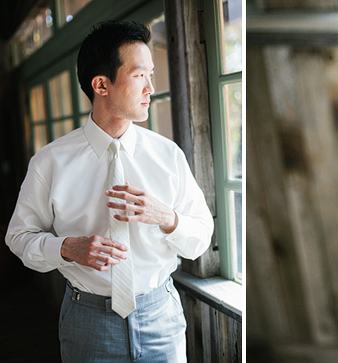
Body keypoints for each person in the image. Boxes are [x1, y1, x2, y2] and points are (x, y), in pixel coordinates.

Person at [5, 21, 213, 362]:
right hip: (86, 322)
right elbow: (18, 237)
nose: (151, 87)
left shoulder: (168, 156)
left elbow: (201, 238)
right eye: (139, 75)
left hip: (161, 317)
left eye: (152, 74)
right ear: (101, 85)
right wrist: (66, 248)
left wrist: (166, 217)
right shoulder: (49, 162)